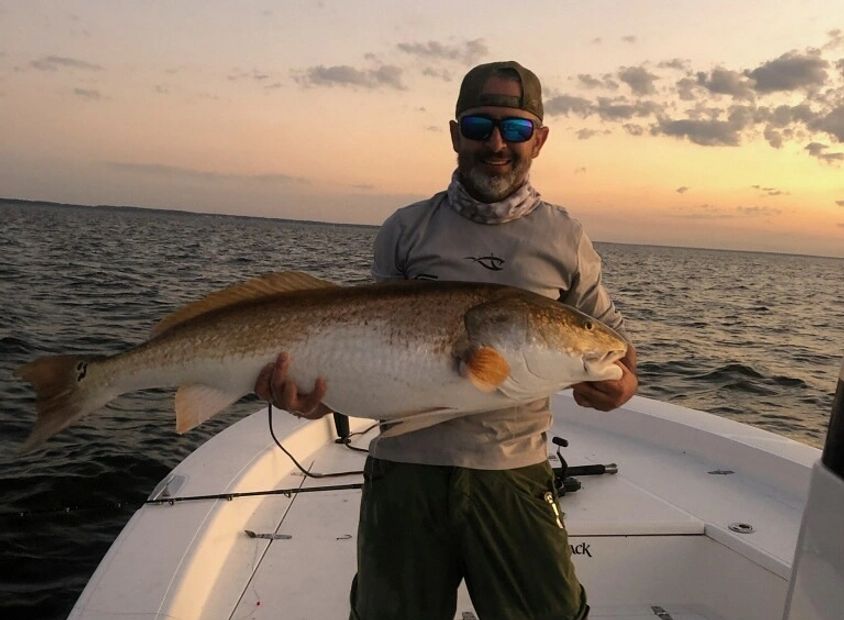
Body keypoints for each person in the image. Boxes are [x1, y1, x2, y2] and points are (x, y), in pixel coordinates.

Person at [255, 60, 638, 620]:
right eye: (481, 126)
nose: (497, 145)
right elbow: (364, 348)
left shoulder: (565, 237)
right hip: (405, 471)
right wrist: (309, 395)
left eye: (515, 128)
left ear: (540, 139)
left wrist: (621, 385)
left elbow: (619, 351)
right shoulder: (406, 230)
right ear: (456, 133)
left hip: (514, 472)